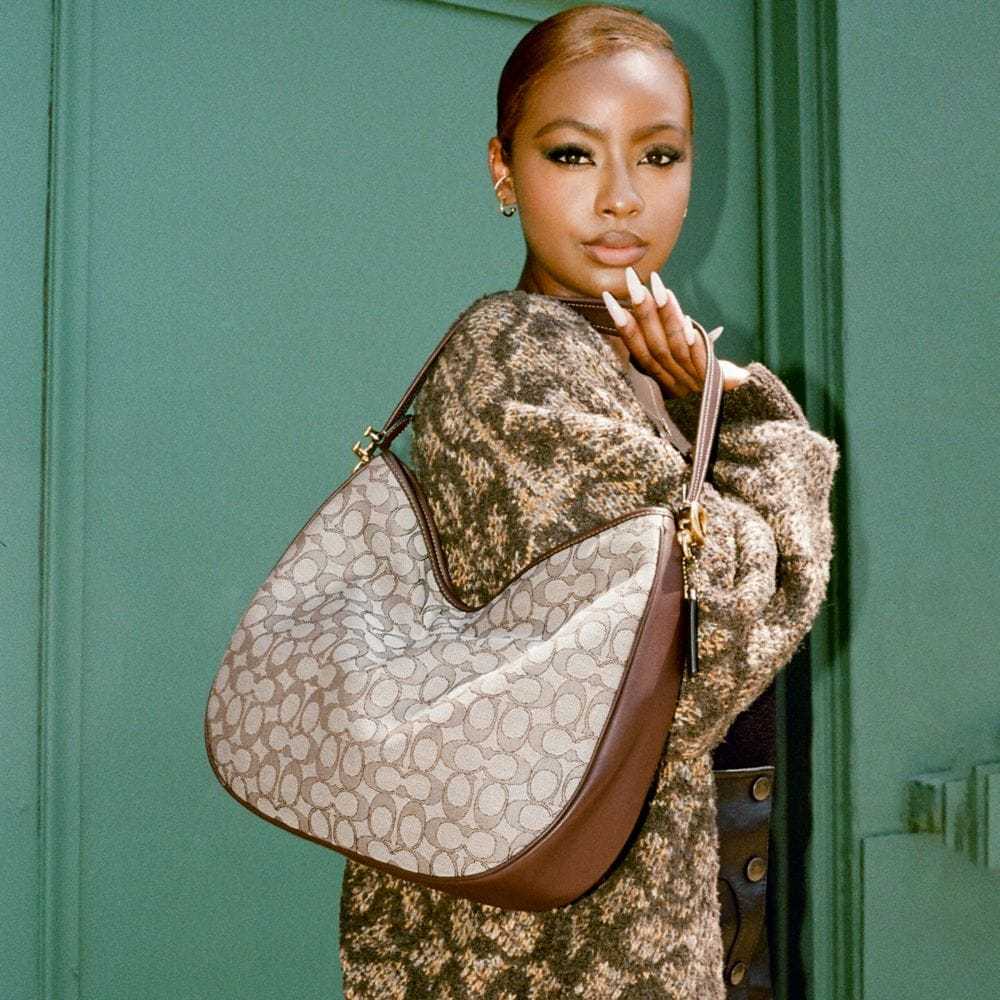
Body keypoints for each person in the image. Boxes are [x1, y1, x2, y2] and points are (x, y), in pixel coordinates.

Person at [338, 5, 839, 998]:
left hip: (646, 910)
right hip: (559, 952)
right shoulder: (514, 358)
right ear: (502, 170)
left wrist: (697, 401)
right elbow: (723, 618)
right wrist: (752, 423)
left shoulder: (624, 363)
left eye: (658, 156)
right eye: (572, 154)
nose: (620, 198)